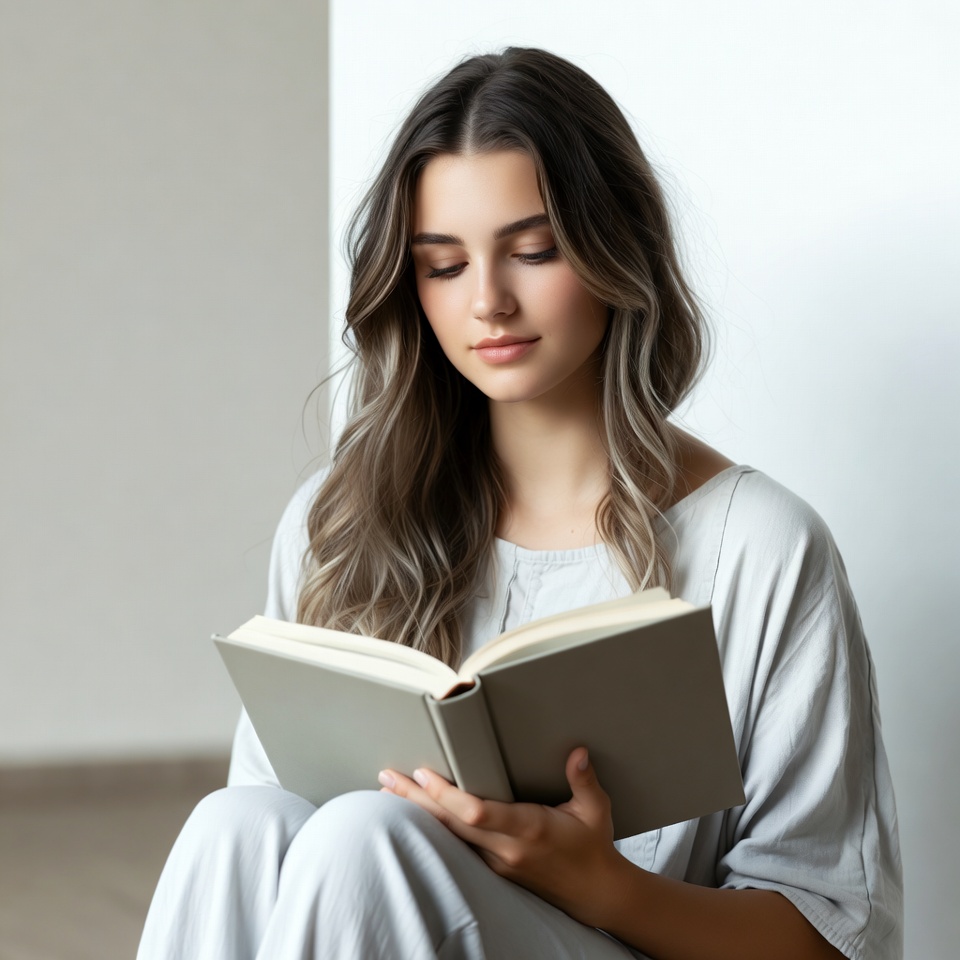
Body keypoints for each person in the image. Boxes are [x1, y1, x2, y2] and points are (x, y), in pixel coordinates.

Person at [138, 47, 902, 960]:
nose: (489, 302)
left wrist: (603, 886)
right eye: (444, 266)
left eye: (533, 251)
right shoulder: (336, 525)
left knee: (368, 839)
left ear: (617, 250)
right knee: (236, 825)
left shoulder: (761, 547)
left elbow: (829, 936)